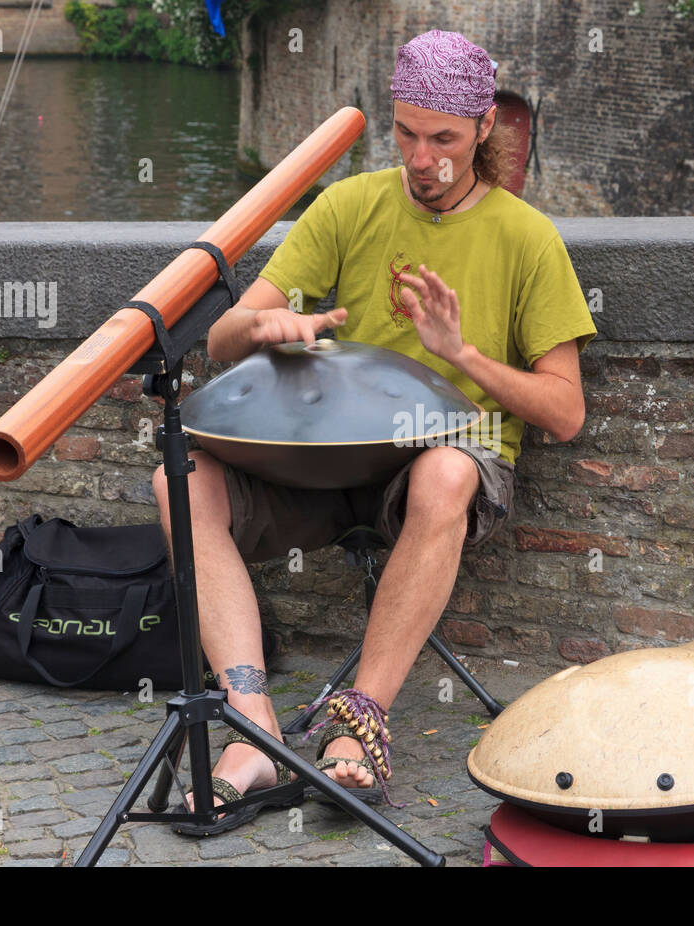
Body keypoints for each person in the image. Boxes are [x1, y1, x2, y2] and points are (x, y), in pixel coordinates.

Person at [152, 29, 598, 834]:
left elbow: (564, 412)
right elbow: (216, 342)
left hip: (444, 460)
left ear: (485, 127)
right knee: (178, 480)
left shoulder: (527, 237)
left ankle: (360, 722)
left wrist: (461, 355)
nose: (422, 157)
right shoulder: (350, 204)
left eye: (444, 139)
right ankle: (251, 730)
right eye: (406, 132)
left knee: (448, 473)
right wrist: (265, 326)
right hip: (327, 461)